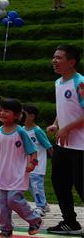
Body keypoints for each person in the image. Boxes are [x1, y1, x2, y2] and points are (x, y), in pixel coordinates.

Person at [0, 98, 43, 237]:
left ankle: (35, 219)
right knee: (3, 206)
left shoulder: (20, 132)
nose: (1, 113)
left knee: (13, 200)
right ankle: (6, 229)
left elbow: (33, 150)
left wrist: (32, 163)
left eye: (6, 111)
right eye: (0, 110)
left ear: (17, 115)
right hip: (3, 175)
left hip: (18, 174)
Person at [46, 44, 84, 235]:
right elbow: (64, 108)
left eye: (59, 58)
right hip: (63, 145)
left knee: (82, 185)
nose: (54, 61)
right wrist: (56, 124)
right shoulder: (58, 82)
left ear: (72, 62)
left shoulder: (80, 83)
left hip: (81, 146)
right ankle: (70, 222)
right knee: (60, 183)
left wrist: (67, 128)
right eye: (54, 57)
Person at [22, 103, 53, 214]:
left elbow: (49, 146)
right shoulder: (21, 130)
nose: (20, 116)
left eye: (23, 114)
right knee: (28, 186)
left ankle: (41, 207)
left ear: (31, 116)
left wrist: (56, 161)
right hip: (25, 166)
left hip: (37, 166)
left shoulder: (37, 131)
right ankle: (43, 203)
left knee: (36, 186)